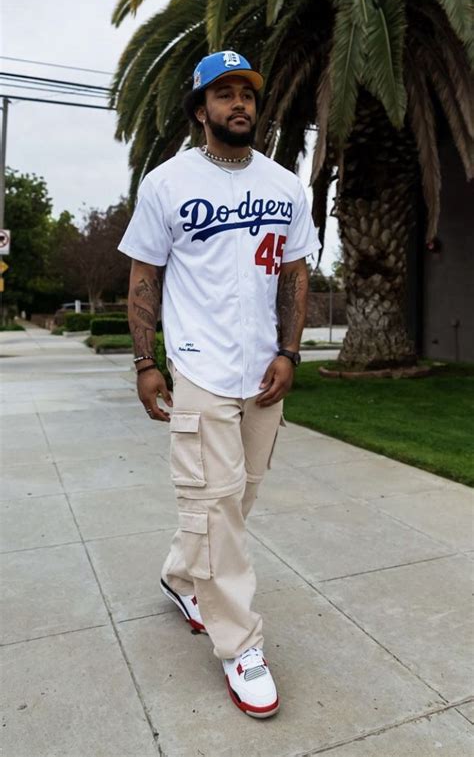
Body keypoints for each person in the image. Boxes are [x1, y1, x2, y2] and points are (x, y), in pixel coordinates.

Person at [118, 50, 320, 718]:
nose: (239, 103)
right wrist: (146, 362)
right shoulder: (167, 183)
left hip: (262, 371)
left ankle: (182, 576)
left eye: (248, 93)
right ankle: (240, 646)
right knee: (215, 505)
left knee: (238, 498)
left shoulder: (285, 184)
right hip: (199, 367)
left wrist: (290, 351)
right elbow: (144, 276)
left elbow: (295, 273)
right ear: (200, 109)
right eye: (224, 93)